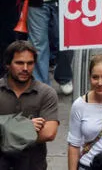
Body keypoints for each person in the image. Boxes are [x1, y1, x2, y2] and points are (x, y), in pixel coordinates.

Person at [0, 41, 58, 170]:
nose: (25, 68)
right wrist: (25, 127)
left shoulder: (46, 93)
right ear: (8, 64)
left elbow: (49, 133)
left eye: (30, 63)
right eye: (19, 63)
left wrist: (5, 130)